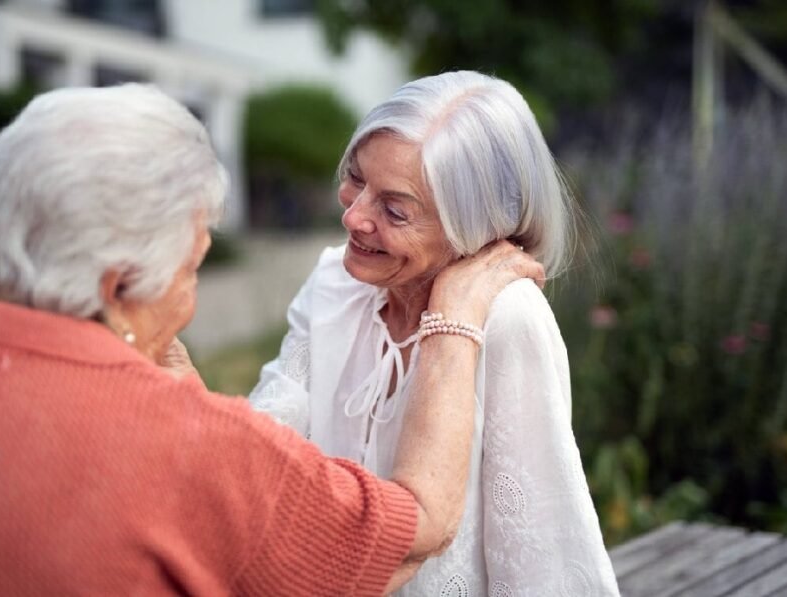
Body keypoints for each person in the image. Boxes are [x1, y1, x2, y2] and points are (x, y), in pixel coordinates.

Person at [0, 84, 543, 596]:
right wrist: (456, 312)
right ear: (118, 286)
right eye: (192, 268)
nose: (192, 298)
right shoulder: (196, 456)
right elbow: (416, 528)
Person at [250, 71, 621, 596]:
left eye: (394, 209)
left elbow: (539, 548)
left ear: (475, 227)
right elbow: (264, 447)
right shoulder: (335, 280)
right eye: (356, 179)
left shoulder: (510, 316)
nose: (354, 216)